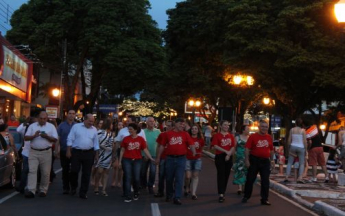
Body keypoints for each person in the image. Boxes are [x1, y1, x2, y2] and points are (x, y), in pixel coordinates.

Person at [156, 118, 196, 205]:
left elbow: (191, 144)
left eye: (183, 124)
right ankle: (169, 194)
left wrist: (193, 151)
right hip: (170, 158)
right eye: (181, 124)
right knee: (169, 178)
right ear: (176, 124)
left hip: (181, 158)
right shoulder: (168, 134)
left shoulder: (185, 134)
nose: (182, 126)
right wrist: (158, 157)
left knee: (179, 178)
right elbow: (162, 146)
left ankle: (177, 197)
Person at [24, 111, 58, 198]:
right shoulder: (32, 126)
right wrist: (34, 136)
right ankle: (31, 190)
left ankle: (43, 190)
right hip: (33, 151)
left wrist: (46, 136)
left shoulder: (51, 127)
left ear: (47, 119)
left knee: (45, 172)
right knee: (32, 170)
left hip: (46, 152)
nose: (42, 120)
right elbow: (26, 137)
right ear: (38, 118)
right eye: (41, 118)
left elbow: (55, 139)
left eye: (44, 119)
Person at [66, 114, 99, 199]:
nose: (91, 123)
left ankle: (83, 192)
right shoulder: (76, 127)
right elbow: (70, 138)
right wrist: (68, 150)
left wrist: (96, 154)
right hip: (77, 152)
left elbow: (96, 143)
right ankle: (73, 187)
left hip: (89, 152)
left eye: (92, 121)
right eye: (90, 121)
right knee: (74, 171)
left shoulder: (94, 129)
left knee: (87, 173)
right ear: (85, 120)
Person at [119, 123, 154, 203]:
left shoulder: (141, 139)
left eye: (131, 129)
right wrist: (120, 161)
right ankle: (127, 195)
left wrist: (150, 158)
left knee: (137, 177)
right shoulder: (126, 139)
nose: (129, 131)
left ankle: (136, 192)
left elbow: (145, 149)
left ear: (135, 130)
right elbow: (122, 150)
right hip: (127, 159)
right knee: (128, 177)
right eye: (129, 129)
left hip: (137, 160)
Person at [242, 120, 274, 205]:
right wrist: (246, 160)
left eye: (266, 127)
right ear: (259, 127)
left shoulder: (269, 137)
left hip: (265, 161)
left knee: (265, 180)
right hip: (254, 160)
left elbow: (271, 150)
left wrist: (272, 160)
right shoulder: (253, 136)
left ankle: (264, 199)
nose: (264, 128)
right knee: (250, 179)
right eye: (262, 126)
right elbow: (247, 149)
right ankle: (246, 196)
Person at [211, 120, 236, 203]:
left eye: (227, 125)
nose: (226, 126)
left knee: (226, 174)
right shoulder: (217, 135)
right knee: (221, 174)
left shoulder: (231, 136)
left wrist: (229, 154)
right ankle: (221, 193)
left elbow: (233, 146)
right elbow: (215, 145)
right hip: (220, 156)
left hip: (229, 156)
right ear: (221, 126)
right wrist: (226, 152)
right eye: (225, 125)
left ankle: (223, 190)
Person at [94, 118, 115, 196]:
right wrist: (98, 152)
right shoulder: (100, 132)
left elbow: (112, 143)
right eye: (111, 124)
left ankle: (104, 189)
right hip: (101, 153)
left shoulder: (111, 134)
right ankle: (96, 186)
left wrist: (113, 154)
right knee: (99, 171)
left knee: (106, 172)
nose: (112, 126)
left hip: (109, 154)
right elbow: (96, 143)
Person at [57, 109, 76, 194]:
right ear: (67, 115)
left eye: (73, 114)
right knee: (65, 169)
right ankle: (66, 187)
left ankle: (73, 187)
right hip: (64, 150)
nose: (71, 115)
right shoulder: (61, 125)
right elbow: (58, 138)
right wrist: (56, 149)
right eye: (70, 113)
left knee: (74, 170)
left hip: (75, 151)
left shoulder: (77, 126)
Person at [16, 117, 37, 194]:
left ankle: (32, 187)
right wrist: (24, 123)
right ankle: (22, 186)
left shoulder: (37, 129)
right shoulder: (25, 128)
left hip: (34, 152)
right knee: (25, 170)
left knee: (33, 171)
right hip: (27, 152)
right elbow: (18, 130)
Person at [154, 120, 174, 198]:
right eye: (167, 125)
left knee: (171, 176)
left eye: (170, 126)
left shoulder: (175, 135)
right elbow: (158, 146)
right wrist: (157, 157)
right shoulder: (162, 135)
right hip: (163, 158)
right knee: (161, 175)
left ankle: (170, 192)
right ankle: (160, 191)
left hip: (171, 158)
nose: (168, 127)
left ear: (173, 127)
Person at [184, 124, 204, 200]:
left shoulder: (201, 139)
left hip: (197, 159)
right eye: (193, 129)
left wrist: (199, 153)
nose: (194, 130)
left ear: (198, 130)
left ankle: (193, 193)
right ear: (190, 130)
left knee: (195, 175)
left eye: (196, 129)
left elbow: (201, 148)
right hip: (188, 158)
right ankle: (187, 187)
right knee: (187, 176)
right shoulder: (187, 138)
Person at [141, 117, 160, 194]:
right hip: (144, 154)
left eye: (153, 121)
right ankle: (143, 184)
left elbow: (160, 144)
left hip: (154, 155)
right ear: (147, 123)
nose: (152, 123)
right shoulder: (143, 131)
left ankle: (150, 185)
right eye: (150, 121)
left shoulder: (158, 131)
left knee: (153, 171)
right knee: (143, 171)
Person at [284, 118, 307, 183]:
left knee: (289, 163)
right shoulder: (303, 131)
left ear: (295, 123)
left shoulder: (292, 130)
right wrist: (305, 149)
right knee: (301, 163)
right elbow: (305, 141)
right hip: (301, 147)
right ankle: (300, 178)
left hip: (293, 146)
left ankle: (286, 176)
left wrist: (288, 148)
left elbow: (289, 140)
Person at [233, 125, 250, 195]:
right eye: (247, 129)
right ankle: (239, 187)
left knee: (246, 172)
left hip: (247, 157)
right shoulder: (237, 137)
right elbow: (234, 147)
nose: (248, 130)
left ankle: (244, 186)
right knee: (239, 171)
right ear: (243, 130)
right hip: (239, 157)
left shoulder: (249, 138)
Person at [111, 121, 124, 187]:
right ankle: (113, 181)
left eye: (122, 125)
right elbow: (113, 142)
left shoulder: (124, 133)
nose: (120, 126)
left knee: (120, 168)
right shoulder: (114, 134)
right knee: (115, 166)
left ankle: (119, 182)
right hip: (116, 150)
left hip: (122, 150)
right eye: (119, 125)